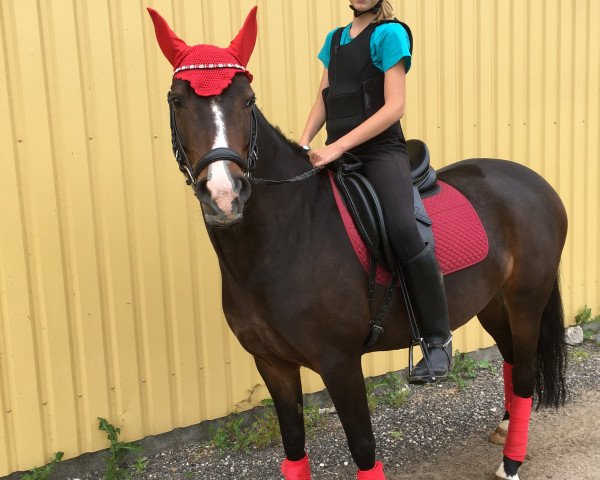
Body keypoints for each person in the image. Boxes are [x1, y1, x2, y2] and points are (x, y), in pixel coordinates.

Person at [298, 0, 452, 383]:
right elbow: (324, 97)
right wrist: (303, 142)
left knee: (402, 227)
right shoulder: (334, 41)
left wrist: (337, 147)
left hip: (380, 152)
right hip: (338, 149)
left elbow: (394, 107)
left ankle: (437, 340)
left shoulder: (390, 34)